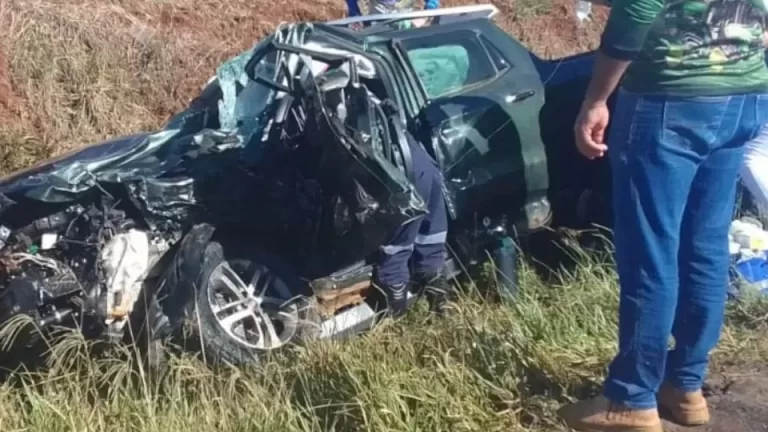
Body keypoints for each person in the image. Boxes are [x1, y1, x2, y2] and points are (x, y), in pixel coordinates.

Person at [557, 1, 768, 431]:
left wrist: (595, 99)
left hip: (670, 97)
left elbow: (637, 10)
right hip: (743, 93)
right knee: (705, 244)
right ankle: (684, 384)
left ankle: (631, 397)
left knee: (650, 250)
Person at [373, 124, 452, 318]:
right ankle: (443, 308)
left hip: (401, 175)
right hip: (418, 165)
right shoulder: (385, 118)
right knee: (431, 253)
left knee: (395, 257)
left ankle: (399, 323)